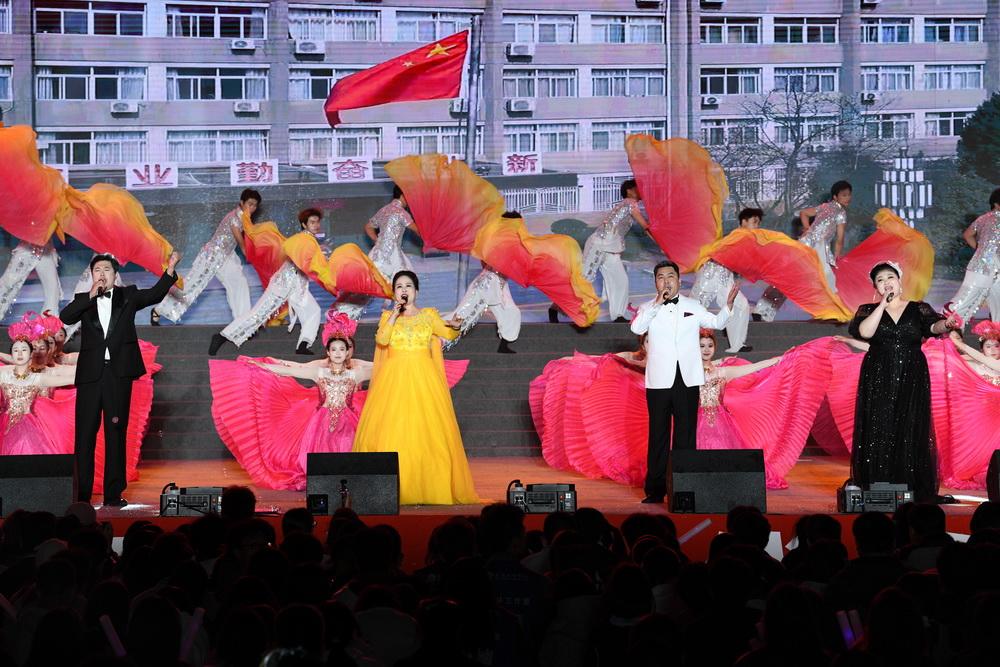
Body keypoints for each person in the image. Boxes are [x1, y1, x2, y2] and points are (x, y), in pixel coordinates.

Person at [59, 251, 179, 506]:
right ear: (92, 275)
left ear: (115, 275)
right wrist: (90, 296)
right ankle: (81, 496)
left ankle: (113, 495)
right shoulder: (83, 300)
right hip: (91, 376)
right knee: (85, 435)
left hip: (117, 374)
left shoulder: (128, 296)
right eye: (97, 270)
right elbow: (66, 317)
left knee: (115, 433)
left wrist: (170, 270)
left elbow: (154, 295)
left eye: (107, 270)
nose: (102, 274)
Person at [352, 270, 479, 505]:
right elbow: (382, 339)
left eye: (408, 286)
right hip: (394, 380)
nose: (404, 290)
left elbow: (448, 332)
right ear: (394, 293)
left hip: (424, 378)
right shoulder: (387, 316)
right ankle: (394, 487)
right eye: (399, 286)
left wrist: (456, 326)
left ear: (416, 291)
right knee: (393, 429)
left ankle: (429, 487)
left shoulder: (428, 315)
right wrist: (394, 313)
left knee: (427, 431)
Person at [209, 312, 373, 491]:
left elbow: (385, 369)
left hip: (348, 419)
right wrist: (264, 365)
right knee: (322, 451)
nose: (338, 353)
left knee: (347, 448)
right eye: (334, 349)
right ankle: (325, 484)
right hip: (323, 420)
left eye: (342, 349)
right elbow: (292, 370)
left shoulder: (357, 372)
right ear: (328, 352)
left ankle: (346, 484)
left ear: (348, 351)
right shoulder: (319, 372)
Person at [847, 261, 959, 502]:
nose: (886, 282)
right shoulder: (868, 309)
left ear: (899, 281)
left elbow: (933, 326)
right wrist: (882, 305)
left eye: (890, 277)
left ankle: (910, 484)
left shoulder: (918, 308)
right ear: (876, 288)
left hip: (912, 372)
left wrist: (946, 324)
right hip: (879, 373)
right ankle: (878, 483)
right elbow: (865, 333)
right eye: (880, 280)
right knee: (879, 424)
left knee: (910, 424)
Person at [629, 260, 737, 503]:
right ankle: (655, 490)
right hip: (659, 382)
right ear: (655, 282)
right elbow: (637, 328)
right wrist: (657, 304)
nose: (666, 281)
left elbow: (715, 323)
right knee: (658, 435)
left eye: (670, 276)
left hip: (687, 379)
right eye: (660, 277)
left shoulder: (693, 305)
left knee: (685, 436)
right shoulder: (648, 308)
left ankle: (683, 489)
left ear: (678, 280)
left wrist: (728, 307)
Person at [209, 208, 325, 356]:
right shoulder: (302, 239)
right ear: (304, 224)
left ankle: (303, 344)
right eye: (312, 222)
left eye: (317, 222)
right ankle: (221, 336)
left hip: (298, 285)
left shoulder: (310, 240)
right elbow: (299, 258)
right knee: (258, 314)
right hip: (283, 282)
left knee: (313, 310)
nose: (316, 225)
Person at [152, 189, 258, 325]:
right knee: (189, 287)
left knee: (239, 282)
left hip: (227, 257)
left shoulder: (244, 219)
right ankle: (159, 310)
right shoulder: (235, 218)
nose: (252, 208)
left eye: (255, 205)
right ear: (242, 203)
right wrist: (254, 257)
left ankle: (243, 322)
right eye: (250, 204)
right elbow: (241, 243)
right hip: (212, 256)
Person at [553, 179, 649, 324]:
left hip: (611, 248)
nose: (642, 190)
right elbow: (645, 225)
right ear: (629, 191)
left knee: (620, 280)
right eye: (638, 187)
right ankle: (556, 307)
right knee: (583, 280)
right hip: (599, 244)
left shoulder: (628, 204)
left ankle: (618, 315)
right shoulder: (630, 203)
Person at [754, 180, 851, 321]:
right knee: (827, 279)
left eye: (849, 195)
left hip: (804, 244)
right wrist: (837, 256)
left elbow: (803, 213)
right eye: (844, 195)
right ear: (835, 197)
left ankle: (761, 310)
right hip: (817, 248)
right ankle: (829, 313)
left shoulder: (824, 207)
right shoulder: (841, 212)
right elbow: (840, 238)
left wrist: (807, 229)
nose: (848, 198)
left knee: (787, 277)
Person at [331, 186, 419, 320]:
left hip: (378, 253)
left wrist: (378, 241)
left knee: (368, 287)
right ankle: (401, 318)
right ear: (402, 195)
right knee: (405, 284)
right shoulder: (401, 212)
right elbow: (417, 229)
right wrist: (432, 237)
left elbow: (368, 226)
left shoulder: (384, 210)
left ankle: (343, 315)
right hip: (392, 255)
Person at [690, 207, 762, 352]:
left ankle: (737, 345)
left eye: (758, 223)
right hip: (711, 273)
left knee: (741, 305)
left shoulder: (746, 238)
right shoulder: (737, 235)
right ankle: (683, 341)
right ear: (744, 221)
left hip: (724, 276)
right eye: (754, 222)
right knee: (694, 308)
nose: (757, 226)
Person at [0, 329, 76, 455]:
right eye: (16, 350)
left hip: (28, 427)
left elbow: (73, 378)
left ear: (31, 353)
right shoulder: (3, 375)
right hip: (4, 424)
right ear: (11, 355)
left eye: (24, 350)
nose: (20, 353)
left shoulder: (37, 378)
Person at [948, 188, 1000, 324]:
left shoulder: (983, 218)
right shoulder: (995, 218)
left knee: (966, 300)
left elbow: (967, 234)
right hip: (989, 267)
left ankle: (947, 326)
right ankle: (944, 327)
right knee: (965, 301)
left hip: (980, 265)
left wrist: (980, 250)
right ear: (996, 204)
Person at [446, 261, 521, 354]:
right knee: (463, 313)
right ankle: (436, 331)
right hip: (486, 284)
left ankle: (504, 345)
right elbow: (485, 261)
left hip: (499, 282)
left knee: (512, 311)